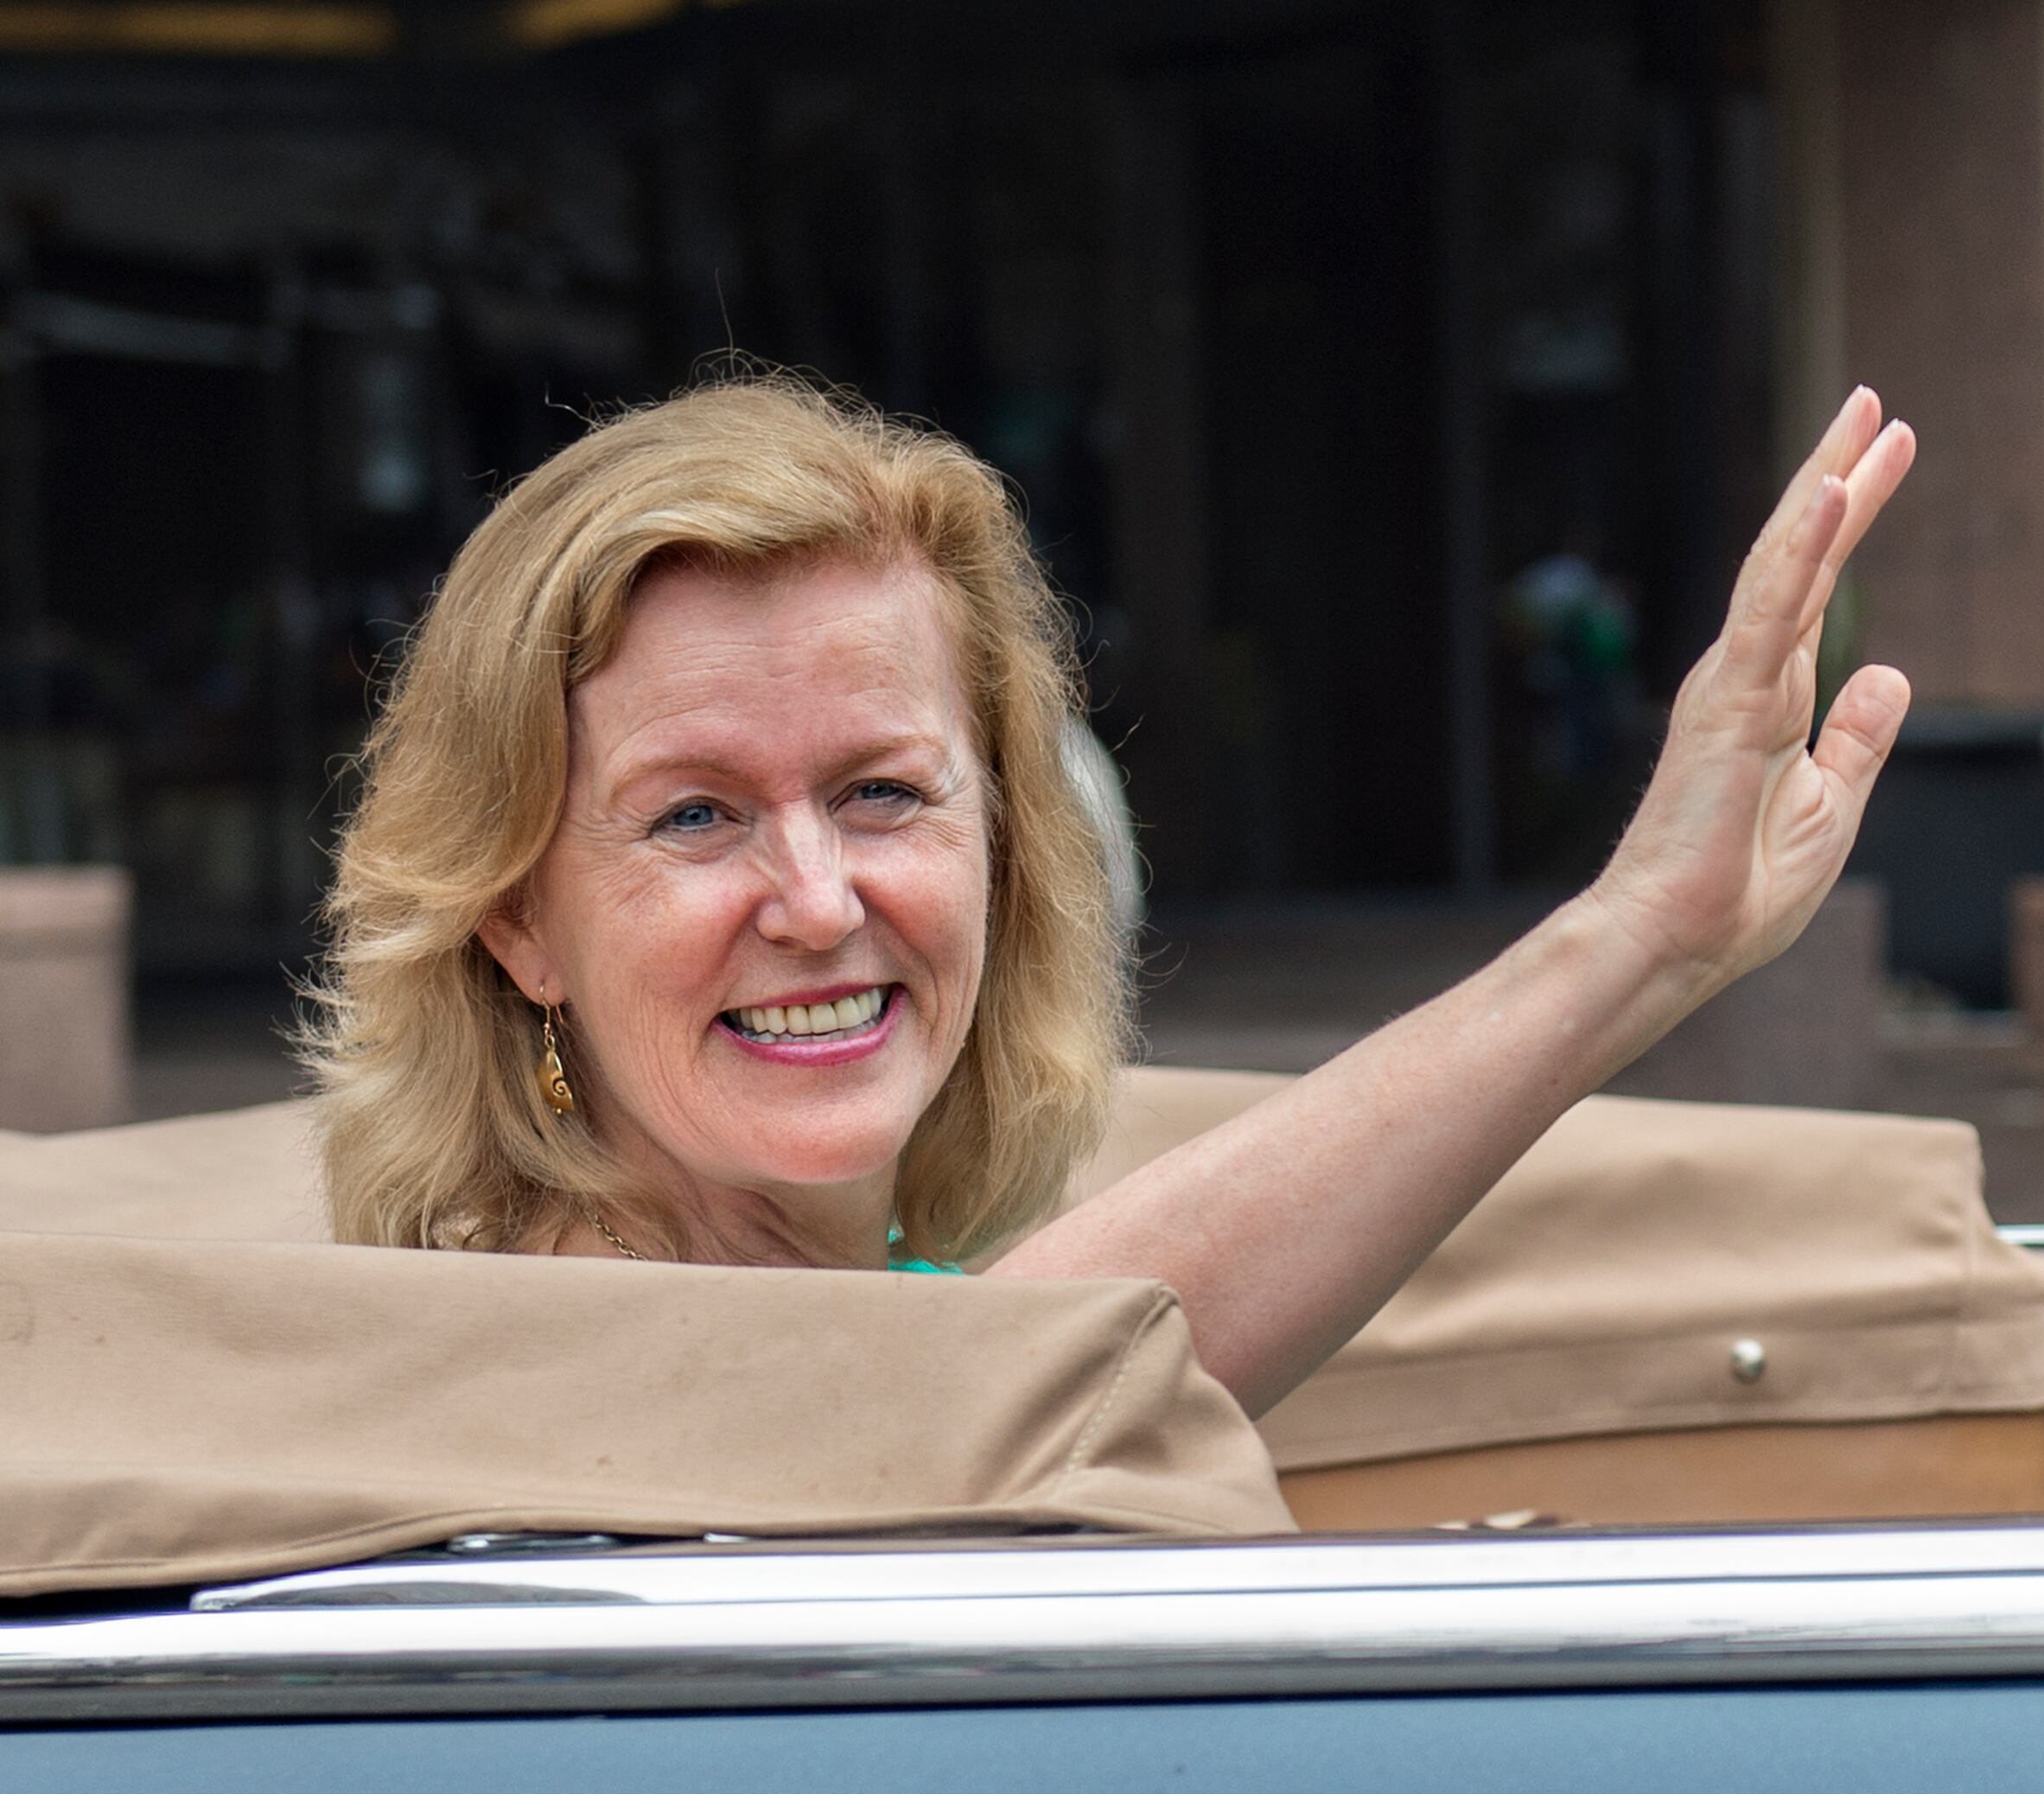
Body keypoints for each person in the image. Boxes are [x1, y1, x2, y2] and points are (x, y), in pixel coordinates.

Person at [304, 372, 1914, 1419]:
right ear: (513, 917)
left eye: (883, 791)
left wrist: (1652, 936)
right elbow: (941, 1409)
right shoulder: (511, 1372)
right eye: (696, 814)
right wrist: (1629, 939)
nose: (815, 897)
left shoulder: (914, 1304)